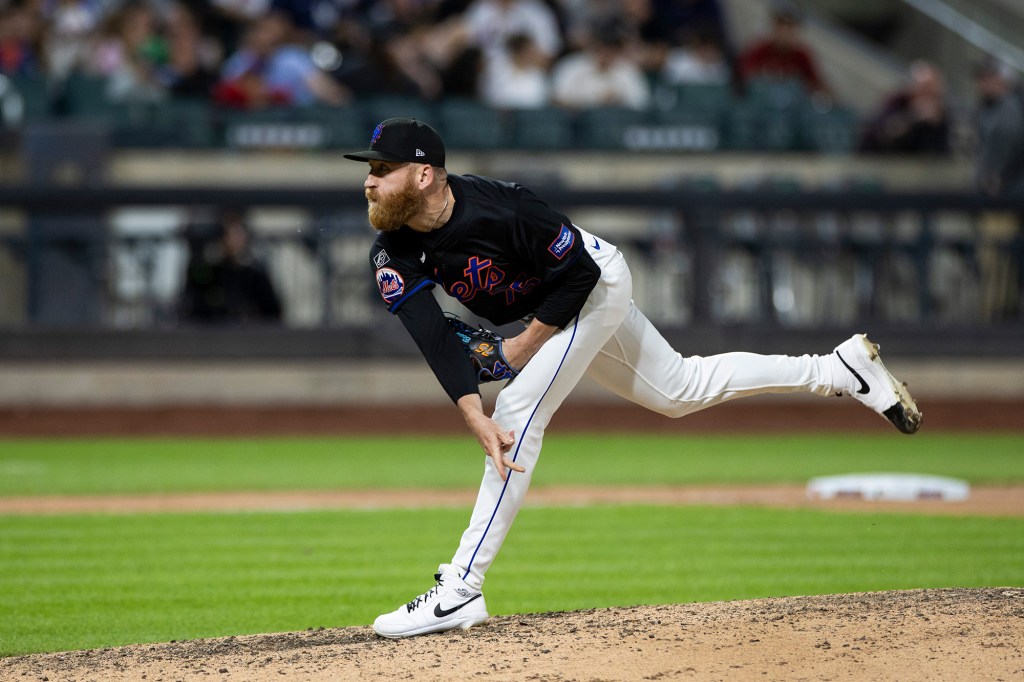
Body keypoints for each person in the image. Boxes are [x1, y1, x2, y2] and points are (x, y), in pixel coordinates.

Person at [344, 117, 922, 639]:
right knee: (679, 390)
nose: (370, 181)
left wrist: (520, 348)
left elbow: (581, 276)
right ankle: (836, 369)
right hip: (559, 302)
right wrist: (471, 410)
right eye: (370, 170)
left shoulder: (505, 208)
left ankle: (461, 590)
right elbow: (433, 335)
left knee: (518, 413)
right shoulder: (390, 252)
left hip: (593, 284)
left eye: (382, 169)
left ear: (424, 175)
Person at [179, 207, 283, 324]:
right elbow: (195, 308)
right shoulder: (209, 273)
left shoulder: (255, 275)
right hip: (213, 336)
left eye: (239, 233)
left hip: (248, 336)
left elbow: (272, 313)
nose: (234, 239)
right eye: (228, 233)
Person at [859, 60, 951, 155]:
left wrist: (936, 124)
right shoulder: (897, 101)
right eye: (925, 89)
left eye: (933, 90)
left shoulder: (939, 111)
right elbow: (885, 133)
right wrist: (914, 116)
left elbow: (942, 149)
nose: (928, 95)